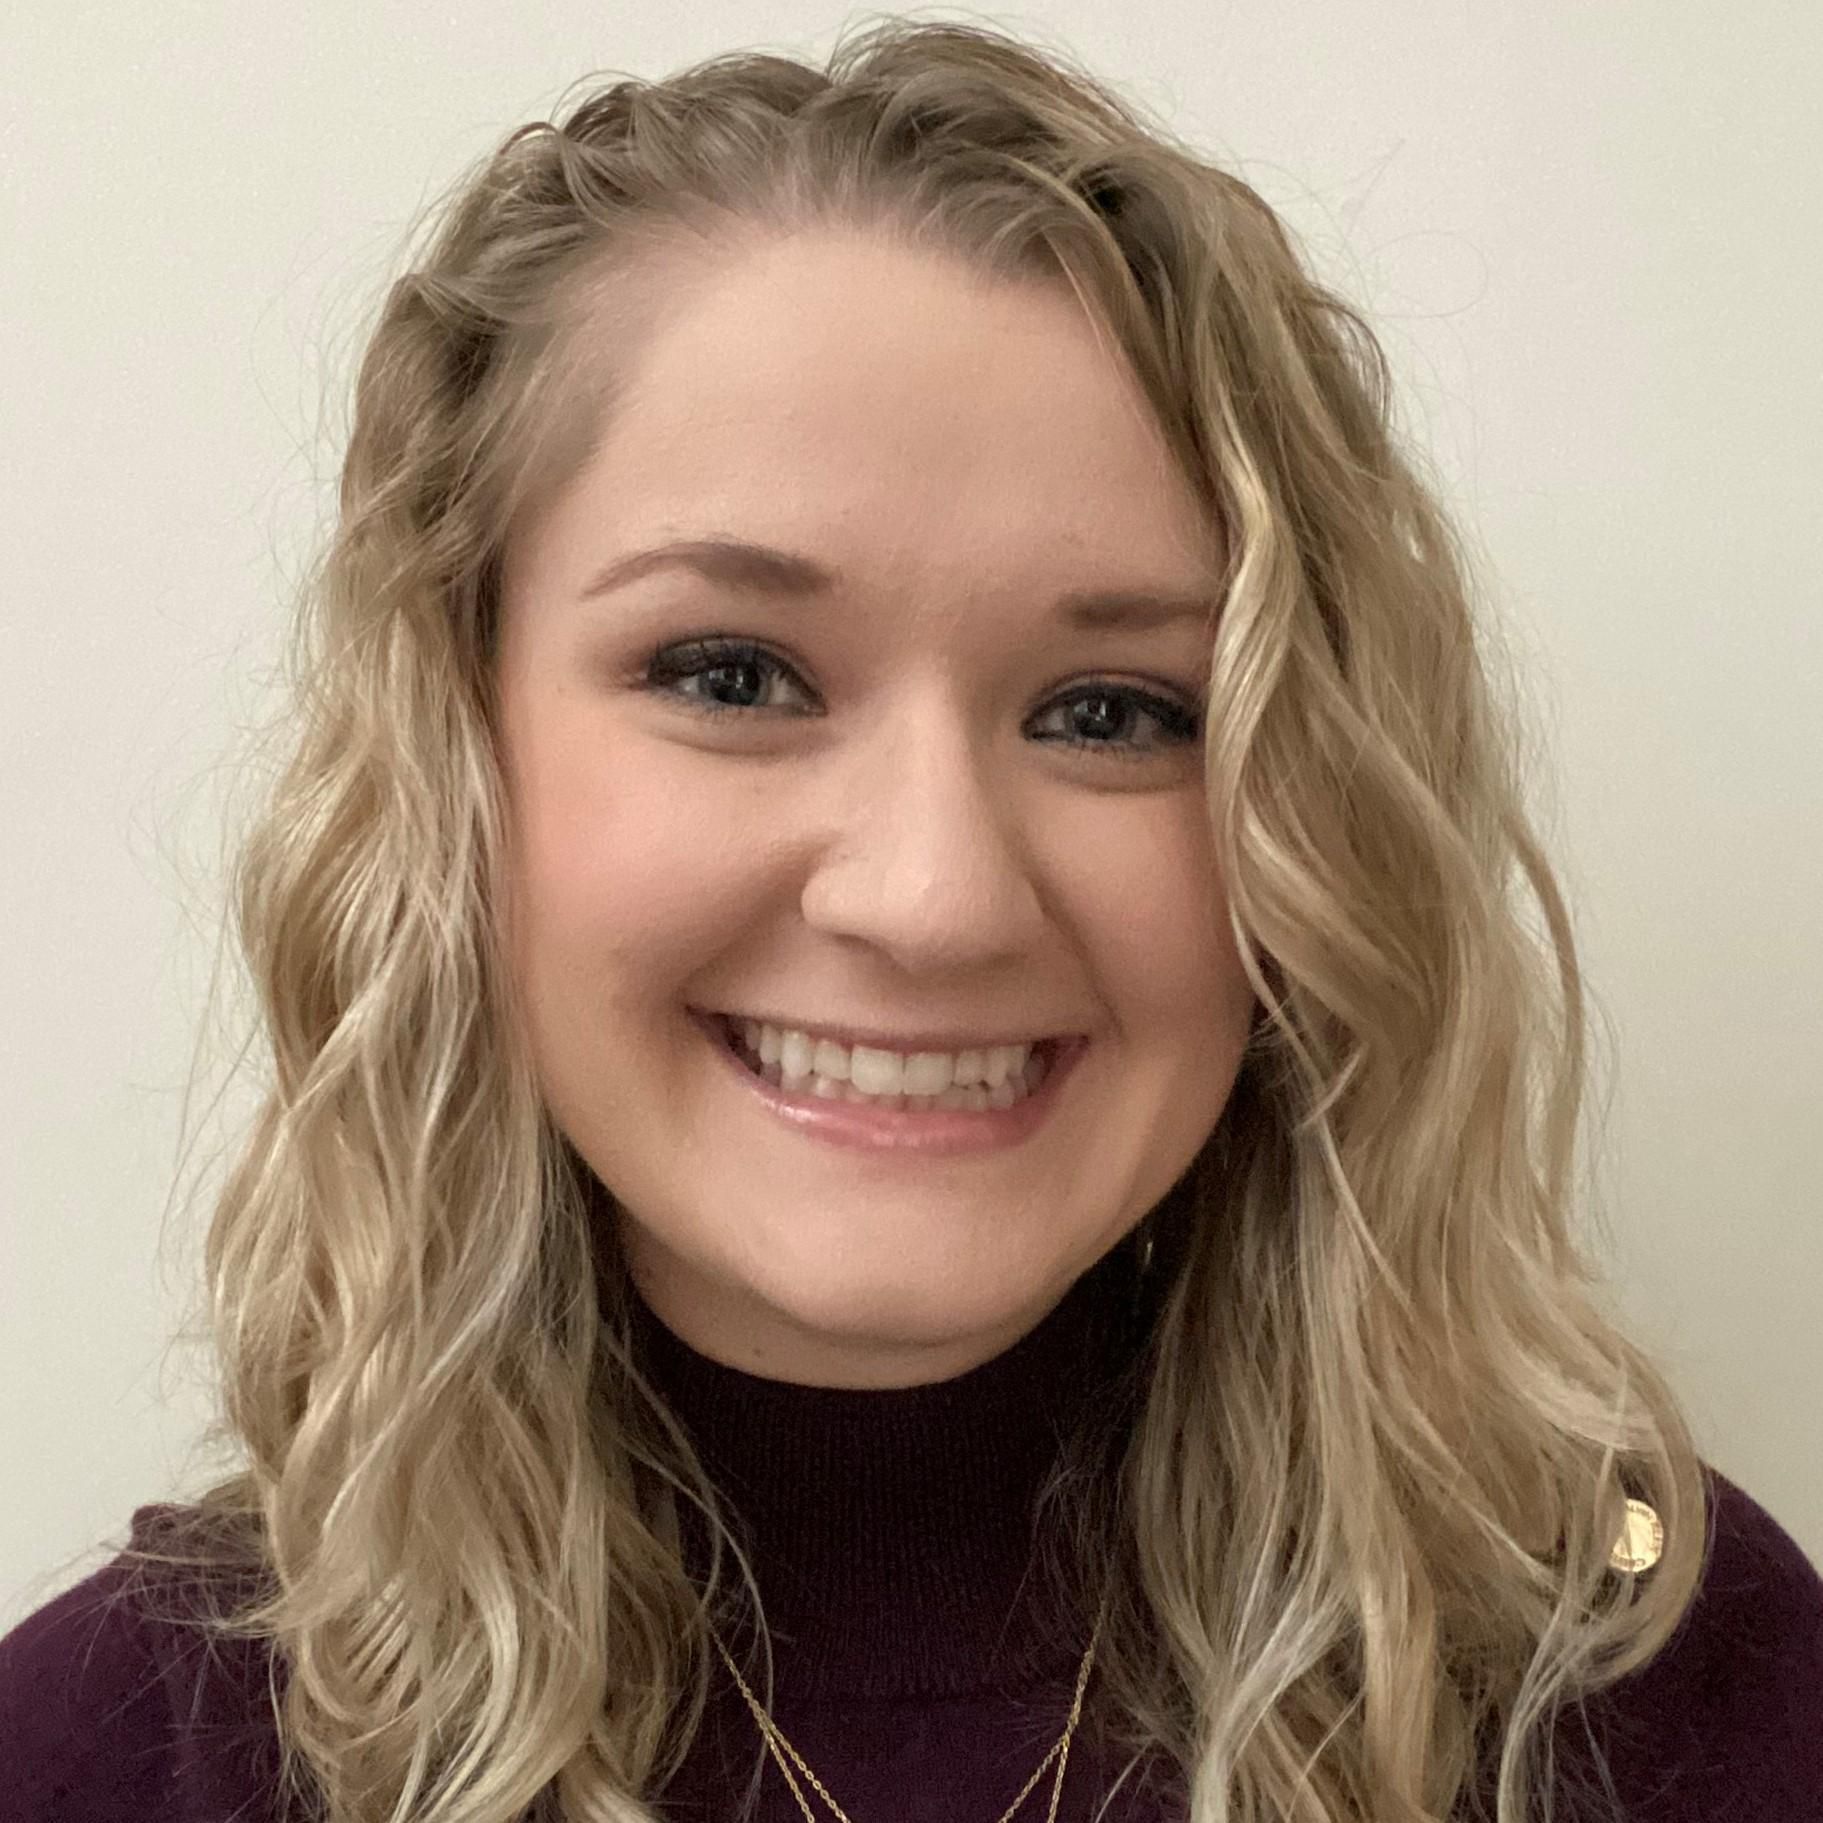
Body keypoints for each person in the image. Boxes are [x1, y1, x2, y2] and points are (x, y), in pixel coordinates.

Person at [3, 17, 1819, 1823]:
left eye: (1113, 710)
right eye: (732, 675)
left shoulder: (1665, 1681)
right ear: (455, 754)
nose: (936, 896)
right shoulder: (107, 1756)